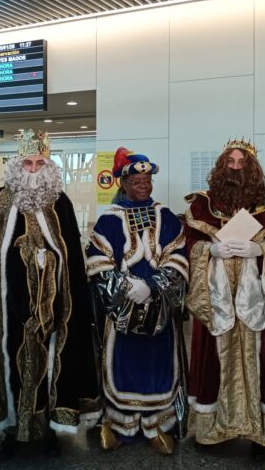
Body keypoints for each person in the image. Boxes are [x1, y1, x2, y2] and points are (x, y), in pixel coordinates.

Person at [0, 129, 100, 459]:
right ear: (17, 165)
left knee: (50, 365)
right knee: (9, 366)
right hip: (6, 307)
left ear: (49, 166)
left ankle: (46, 430)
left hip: (53, 305)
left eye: (39, 163)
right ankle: (12, 429)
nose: (33, 170)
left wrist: (49, 261)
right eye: (27, 163)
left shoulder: (61, 203)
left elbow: (70, 253)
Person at [183, 139, 265, 458]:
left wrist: (262, 250)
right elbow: (186, 243)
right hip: (214, 298)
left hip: (254, 299)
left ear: (252, 167)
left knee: (261, 358)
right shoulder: (201, 206)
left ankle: (260, 432)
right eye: (229, 162)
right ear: (220, 166)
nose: (235, 167)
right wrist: (208, 250)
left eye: (241, 162)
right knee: (212, 359)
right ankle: (213, 428)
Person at [85, 147, 188, 455]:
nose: (143, 185)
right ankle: (118, 425)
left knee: (158, 366)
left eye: (147, 180)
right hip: (122, 310)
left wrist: (154, 286)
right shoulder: (108, 221)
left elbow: (178, 258)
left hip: (160, 310)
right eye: (136, 181)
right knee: (119, 364)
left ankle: (157, 426)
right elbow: (97, 261)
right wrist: (125, 286)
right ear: (124, 184)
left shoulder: (167, 218)